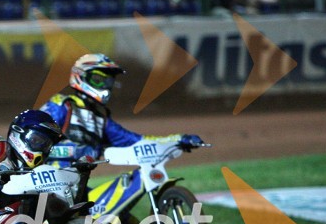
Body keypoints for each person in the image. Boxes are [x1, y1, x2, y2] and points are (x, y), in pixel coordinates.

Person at [40, 53, 203, 168]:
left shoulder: (101, 120)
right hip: (46, 187)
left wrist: (177, 139)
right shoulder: (61, 105)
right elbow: (33, 142)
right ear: (80, 77)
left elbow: (137, 141)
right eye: (98, 80)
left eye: (108, 82)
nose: (105, 86)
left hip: (78, 189)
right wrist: (75, 150)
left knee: (119, 214)